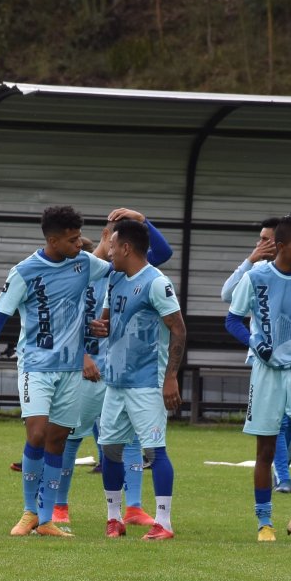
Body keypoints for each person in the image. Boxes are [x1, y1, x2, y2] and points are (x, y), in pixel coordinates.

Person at [0, 205, 112, 538]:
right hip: (35, 366)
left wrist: (97, 324)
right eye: (73, 239)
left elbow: (124, 272)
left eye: (80, 238)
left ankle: (46, 520)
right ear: (53, 239)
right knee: (36, 435)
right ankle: (29, 512)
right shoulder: (24, 271)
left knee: (58, 442)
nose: (80, 245)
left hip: (70, 369)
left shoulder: (85, 263)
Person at [55, 208, 171, 529]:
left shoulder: (122, 272)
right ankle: (59, 506)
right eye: (113, 233)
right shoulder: (80, 271)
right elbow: (63, 320)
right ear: (107, 240)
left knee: (128, 439)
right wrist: (80, 356)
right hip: (85, 368)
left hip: (121, 369)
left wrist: (144, 220)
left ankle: (132, 507)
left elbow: (161, 253)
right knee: (72, 435)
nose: (117, 241)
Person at [225, 215, 291, 543]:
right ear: (282, 246)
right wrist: (256, 344)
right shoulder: (257, 277)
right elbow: (232, 320)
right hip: (267, 374)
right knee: (266, 450)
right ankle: (264, 522)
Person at [91, 219, 186, 540]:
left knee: (154, 451)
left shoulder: (156, 283)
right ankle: (114, 518)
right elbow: (105, 321)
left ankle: (164, 523)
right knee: (110, 450)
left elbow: (178, 328)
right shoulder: (114, 279)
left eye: (113, 246)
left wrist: (170, 378)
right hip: (115, 382)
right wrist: (100, 327)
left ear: (127, 248)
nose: (110, 252)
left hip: (147, 383)